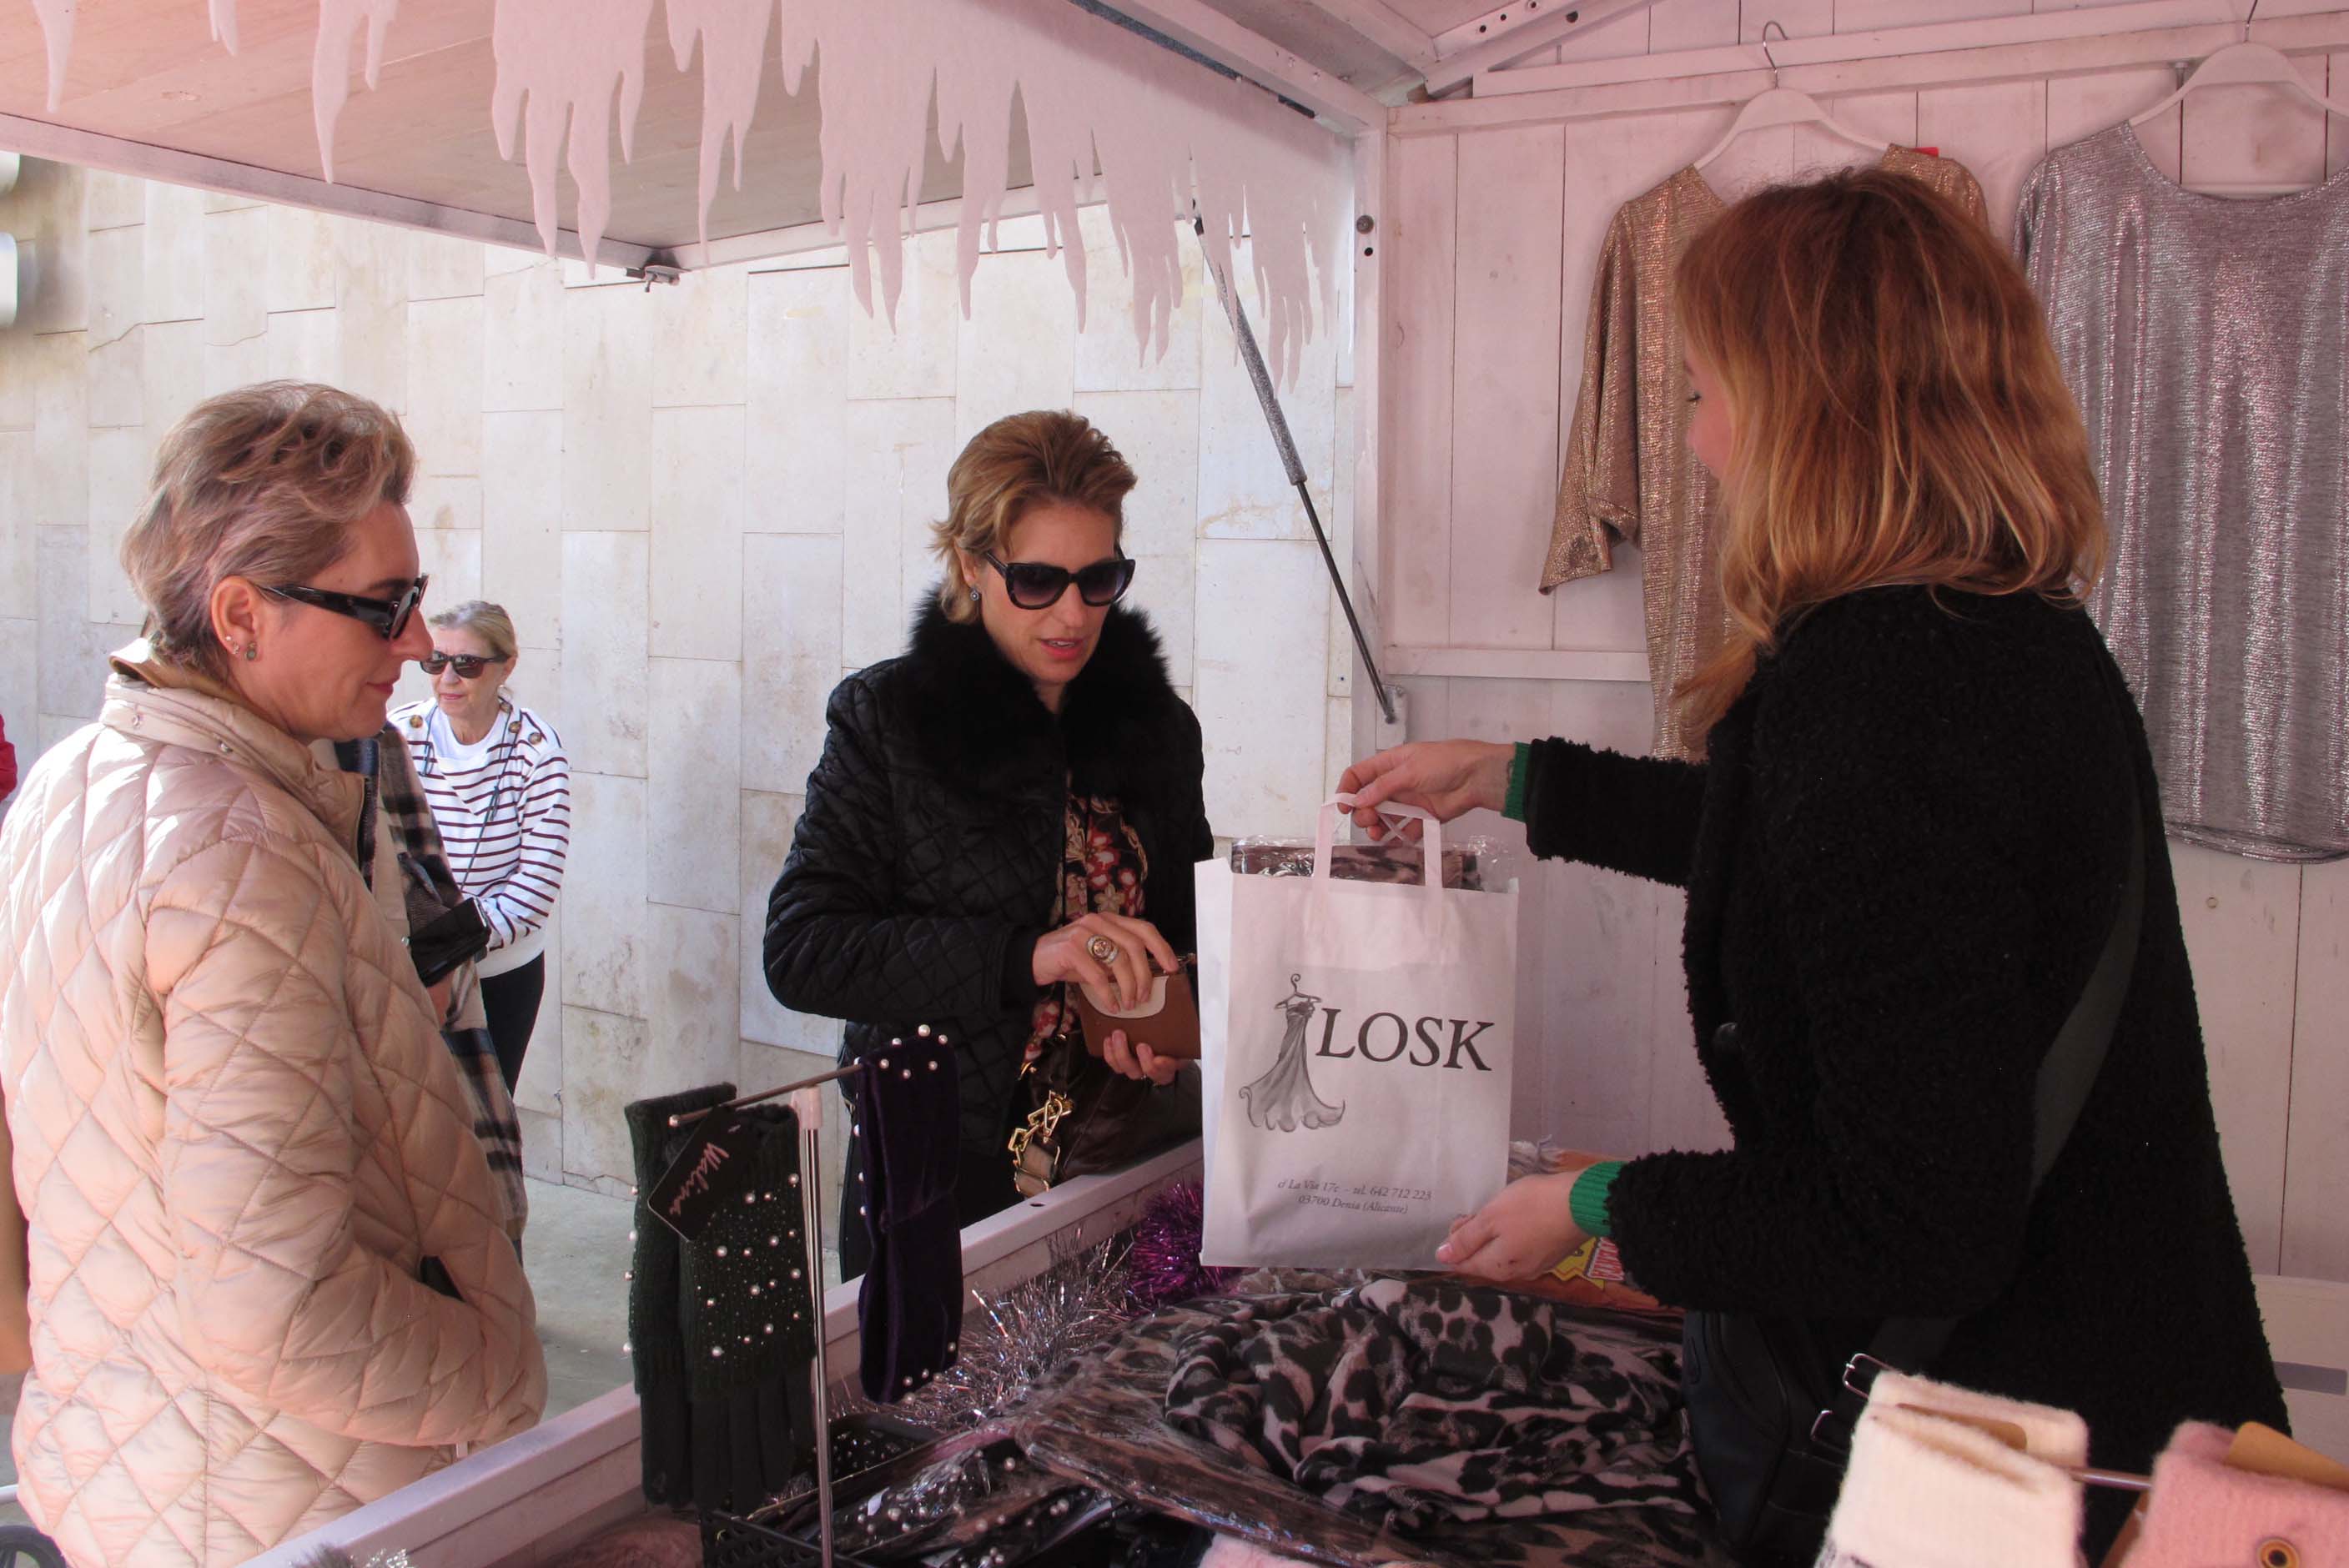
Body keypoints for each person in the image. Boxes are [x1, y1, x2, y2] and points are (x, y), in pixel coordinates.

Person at [1341, 172, 2285, 1554]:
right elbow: (1813, 853)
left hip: (2014, 1465)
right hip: (2117, 1395)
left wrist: (1597, 1208)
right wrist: (1512, 779)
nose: (1703, 440)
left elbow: (1911, 1218)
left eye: (1710, 390)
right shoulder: (1991, 628)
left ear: (1811, 413)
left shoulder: (1886, 691)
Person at [0, 382, 545, 1568]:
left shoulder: (71, 779)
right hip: (270, 1504)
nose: (414, 643)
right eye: (383, 607)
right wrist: (502, 1369)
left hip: (141, 1466)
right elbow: (281, 1312)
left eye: (416, 601)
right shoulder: (234, 853)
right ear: (240, 612)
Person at [766, 410, 1214, 1273]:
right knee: (924, 1405)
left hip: (1120, 1156)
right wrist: (1030, 954)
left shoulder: (1158, 729)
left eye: (1099, 579)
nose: (1074, 613)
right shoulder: (888, 719)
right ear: (972, 566)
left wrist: (1166, 1023)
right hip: (934, 1160)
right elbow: (802, 949)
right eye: (1038, 580)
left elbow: (1187, 929)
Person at [391, 601, 570, 1093]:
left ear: (505, 666)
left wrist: (452, 947)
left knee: (487, 1113)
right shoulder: (398, 735)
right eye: (436, 661)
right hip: (412, 967)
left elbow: (536, 885)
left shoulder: (537, 750)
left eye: (466, 665)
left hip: (500, 970)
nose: (448, 678)